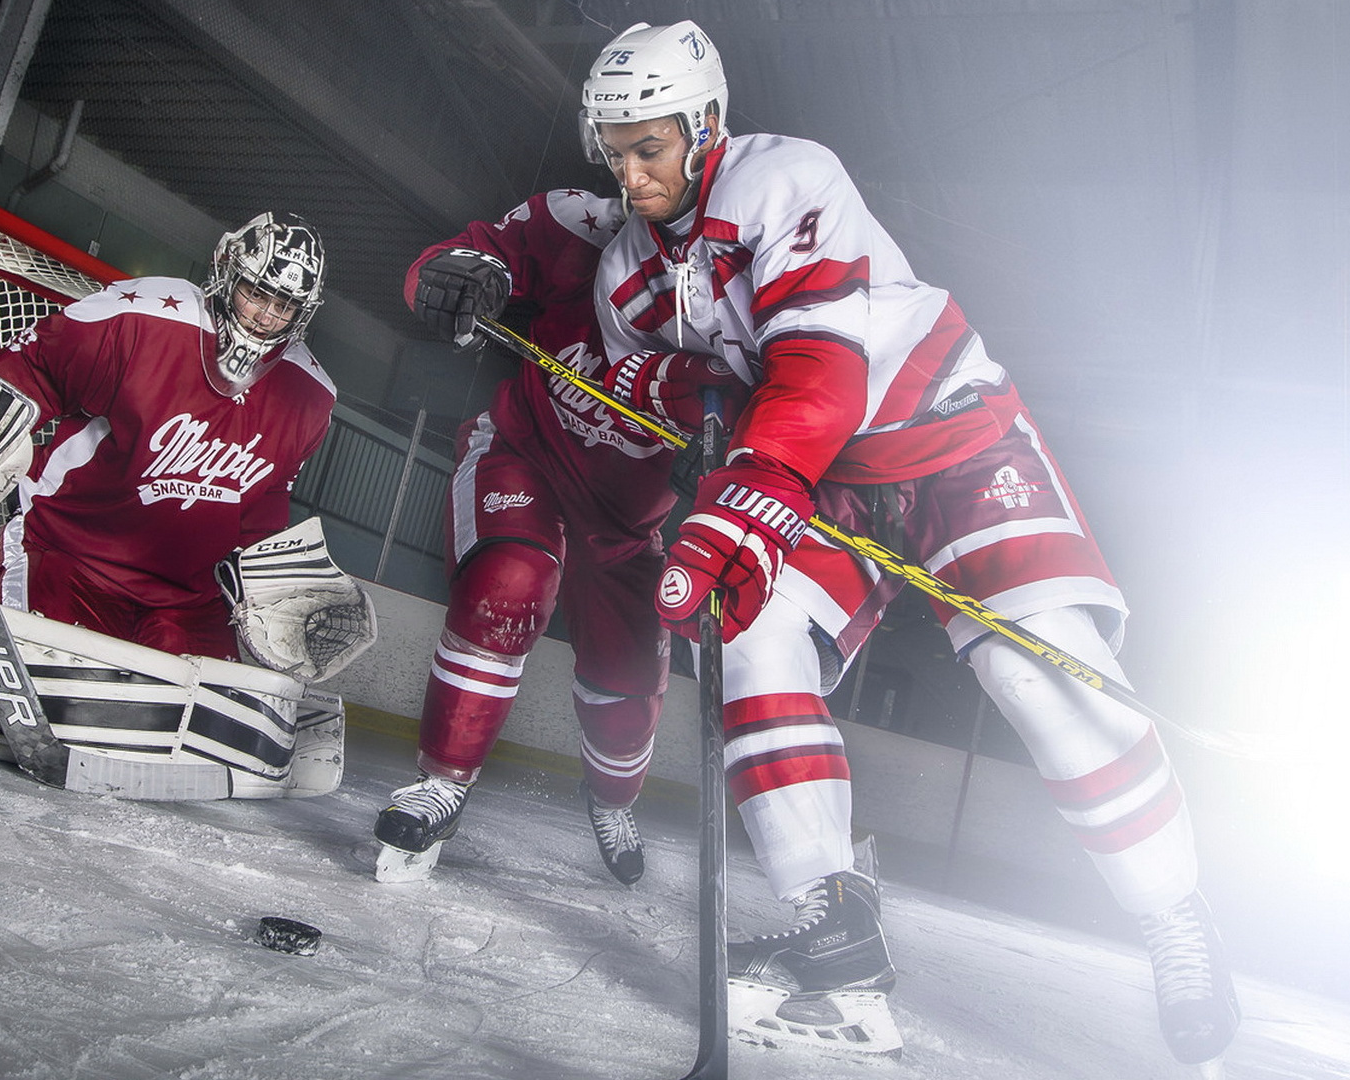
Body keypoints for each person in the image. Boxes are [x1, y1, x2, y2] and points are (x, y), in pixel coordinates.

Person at [580, 19, 1239, 1066]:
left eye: (648, 147)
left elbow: (821, 374)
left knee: (1038, 670)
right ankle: (833, 927)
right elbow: (652, 391)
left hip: (945, 433)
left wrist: (733, 504)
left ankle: (1175, 916)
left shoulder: (780, 177)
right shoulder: (624, 268)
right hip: (826, 480)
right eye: (612, 153)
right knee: (746, 637)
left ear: (703, 125)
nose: (630, 175)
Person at [371, 188, 681, 885]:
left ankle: (612, 800)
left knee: (628, 683)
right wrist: (449, 278)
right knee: (511, 580)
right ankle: (442, 782)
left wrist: (744, 455)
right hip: (526, 452)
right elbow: (465, 255)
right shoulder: (583, 225)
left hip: (626, 525)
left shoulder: (748, 302)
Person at [0, 211, 337, 662]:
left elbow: (266, 498)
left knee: (214, 705)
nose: (265, 317)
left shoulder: (311, 394)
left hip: (188, 600)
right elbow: (34, 370)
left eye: (284, 306)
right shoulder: (143, 318)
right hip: (71, 557)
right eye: (256, 293)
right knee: (44, 678)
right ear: (228, 273)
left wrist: (269, 587)